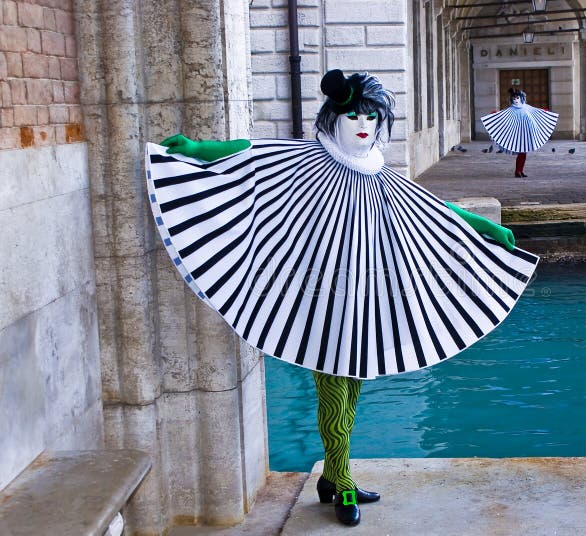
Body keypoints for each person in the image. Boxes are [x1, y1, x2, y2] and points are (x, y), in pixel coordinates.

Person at [145, 70, 539, 527]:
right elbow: (251, 155)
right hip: (319, 296)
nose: (362, 123)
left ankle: (331, 476)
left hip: (364, 294)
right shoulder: (309, 159)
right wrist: (197, 150)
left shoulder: (378, 171)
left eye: (371, 115)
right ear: (334, 118)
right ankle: (343, 481)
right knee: (333, 385)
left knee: (352, 384)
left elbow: (429, 206)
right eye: (353, 114)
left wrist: (483, 225)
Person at [481, 88, 559, 178]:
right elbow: (503, 115)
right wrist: (495, 115)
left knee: (523, 153)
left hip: (526, 133)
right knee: (521, 153)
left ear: (521, 98)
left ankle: (520, 171)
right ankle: (518, 171)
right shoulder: (511, 109)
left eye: (517, 98)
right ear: (511, 99)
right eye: (514, 98)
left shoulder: (526, 107)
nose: (516, 100)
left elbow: (535, 111)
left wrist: (544, 112)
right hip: (517, 134)